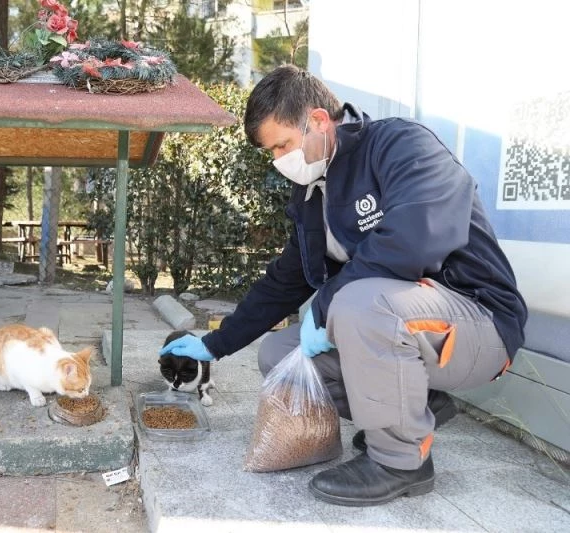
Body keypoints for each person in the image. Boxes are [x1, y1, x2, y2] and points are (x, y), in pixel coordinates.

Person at [159, 65, 527, 507]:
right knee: (280, 354)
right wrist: (214, 344)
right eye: (271, 152)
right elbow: (285, 281)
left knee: (356, 303)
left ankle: (401, 461)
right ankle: (418, 404)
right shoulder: (313, 191)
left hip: (480, 323)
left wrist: (328, 304)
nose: (279, 161)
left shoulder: (400, 144)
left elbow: (417, 237)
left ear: (317, 121)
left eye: (283, 145)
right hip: (408, 324)